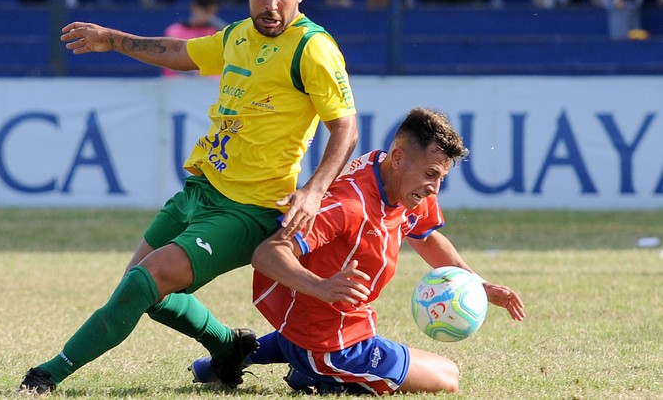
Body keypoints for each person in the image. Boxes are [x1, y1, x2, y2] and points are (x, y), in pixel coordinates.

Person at [19, 0, 358, 394]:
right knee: (138, 293)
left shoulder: (313, 49)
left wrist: (314, 190)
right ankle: (228, 347)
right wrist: (113, 40)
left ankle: (46, 374)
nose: (272, 5)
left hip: (248, 209)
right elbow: (182, 54)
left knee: (144, 284)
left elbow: (346, 129)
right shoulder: (239, 34)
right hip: (200, 191)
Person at [190, 107, 526, 395]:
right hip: (331, 345)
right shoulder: (350, 205)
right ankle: (319, 376)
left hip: (319, 326)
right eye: (430, 174)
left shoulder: (398, 182)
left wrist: (477, 285)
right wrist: (319, 286)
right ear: (398, 157)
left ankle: (238, 355)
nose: (434, 188)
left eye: (441, 178)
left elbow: (425, 236)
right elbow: (267, 254)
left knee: (313, 337)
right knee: (448, 376)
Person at [162, 0, 227, 76]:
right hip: (178, 84)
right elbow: (174, 62)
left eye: (211, 13)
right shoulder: (174, 31)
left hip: (209, 85)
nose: (207, 16)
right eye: (205, 12)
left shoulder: (216, 32)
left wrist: (212, 20)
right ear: (193, 7)